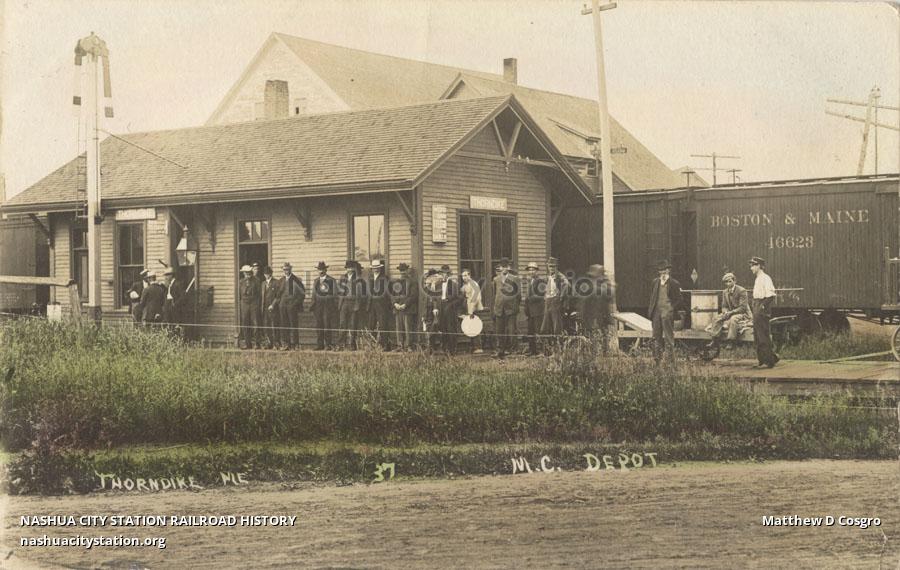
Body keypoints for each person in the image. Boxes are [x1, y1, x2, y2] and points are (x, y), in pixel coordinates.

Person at [705, 272, 752, 345]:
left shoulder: (742, 290)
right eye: (726, 282)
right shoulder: (725, 292)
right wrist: (725, 312)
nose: (728, 284)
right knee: (716, 318)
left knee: (733, 319)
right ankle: (715, 339)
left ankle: (731, 341)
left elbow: (743, 307)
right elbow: (724, 306)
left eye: (730, 281)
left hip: (742, 313)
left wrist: (731, 313)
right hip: (730, 313)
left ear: (734, 281)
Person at [749, 256, 780, 368]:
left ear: (759, 266)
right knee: (757, 336)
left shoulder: (765, 278)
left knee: (762, 336)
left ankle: (769, 362)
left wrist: (762, 307)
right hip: (756, 306)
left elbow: (771, 295)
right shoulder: (758, 278)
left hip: (761, 309)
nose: (751, 268)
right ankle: (765, 359)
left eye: (753, 265)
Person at [648, 259, 681, 361]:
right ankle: (657, 359)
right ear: (658, 272)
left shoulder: (674, 283)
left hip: (667, 313)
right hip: (656, 313)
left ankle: (670, 361)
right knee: (656, 336)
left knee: (668, 337)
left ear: (668, 270)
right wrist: (652, 311)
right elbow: (652, 297)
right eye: (660, 270)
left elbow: (679, 299)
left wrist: (671, 308)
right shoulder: (655, 282)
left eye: (664, 270)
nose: (663, 272)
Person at [491, 257, 520, 359]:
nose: (504, 269)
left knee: (512, 330)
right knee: (499, 331)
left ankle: (513, 350)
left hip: (511, 309)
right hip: (499, 309)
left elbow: (518, 295)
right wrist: (495, 308)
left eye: (505, 266)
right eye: (502, 267)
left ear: (509, 267)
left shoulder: (514, 279)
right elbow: (495, 294)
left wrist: (515, 307)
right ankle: (500, 350)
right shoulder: (496, 279)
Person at [580, 264, 613, 351]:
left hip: (595, 317)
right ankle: (601, 351)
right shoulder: (602, 287)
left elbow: (583, 303)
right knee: (601, 335)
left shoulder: (592, 287)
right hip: (596, 316)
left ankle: (597, 351)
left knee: (595, 335)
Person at [540, 257, 569, 351]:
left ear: (556, 267)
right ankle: (548, 349)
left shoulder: (560, 276)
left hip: (555, 303)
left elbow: (567, 285)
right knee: (545, 327)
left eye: (553, 267)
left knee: (557, 327)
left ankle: (559, 349)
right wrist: (545, 295)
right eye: (550, 266)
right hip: (547, 303)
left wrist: (560, 297)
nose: (551, 268)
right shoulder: (548, 277)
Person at [337, 260, 366, 350]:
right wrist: (340, 304)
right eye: (348, 268)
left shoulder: (358, 279)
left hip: (354, 303)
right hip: (344, 303)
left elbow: (362, 294)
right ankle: (341, 344)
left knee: (353, 324)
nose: (349, 270)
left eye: (351, 268)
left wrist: (357, 305)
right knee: (342, 324)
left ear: (354, 269)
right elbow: (339, 292)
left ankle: (352, 345)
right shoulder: (342, 278)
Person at [436, 264, 464, 355]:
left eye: (446, 273)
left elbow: (460, 298)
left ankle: (452, 350)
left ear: (449, 274)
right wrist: (436, 307)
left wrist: (451, 304)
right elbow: (435, 297)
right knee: (442, 328)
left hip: (450, 308)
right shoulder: (438, 284)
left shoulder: (454, 284)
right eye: (442, 273)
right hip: (441, 307)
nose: (444, 275)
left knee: (451, 328)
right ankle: (444, 349)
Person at [278, 262, 305, 350]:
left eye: (288, 269)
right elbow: (277, 294)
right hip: (283, 307)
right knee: (284, 325)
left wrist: (294, 304)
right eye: (285, 270)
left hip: (292, 307)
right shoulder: (281, 281)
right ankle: (286, 344)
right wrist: (280, 303)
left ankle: (296, 344)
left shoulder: (296, 280)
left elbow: (302, 294)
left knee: (293, 325)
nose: (286, 271)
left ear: (290, 269)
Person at [310, 261, 337, 351]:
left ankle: (328, 345)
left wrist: (325, 297)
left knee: (327, 325)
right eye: (319, 270)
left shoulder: (331, 280)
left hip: (327, 306)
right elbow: (313, 294)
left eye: (322, 269)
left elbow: (335, 294)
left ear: (326, 270)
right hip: (318, 307)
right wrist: (312, 305)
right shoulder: (316, 281)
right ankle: (320, 345)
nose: (321, 271)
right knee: (319, 325)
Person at [391, 263, 418, 351]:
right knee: (399, 327)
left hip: (408, 308)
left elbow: (413, 296)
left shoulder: (413, 282)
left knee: (408, 328)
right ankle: (400, 346)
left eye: (404, 270)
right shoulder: (396, 282)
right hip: (398, 309)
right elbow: (393, 295)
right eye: (401, 270)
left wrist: (405, 304)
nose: (402, 272)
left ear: (407, 270)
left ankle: (408, 346)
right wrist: (395, 304)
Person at [367, 259, 393, 350]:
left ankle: (385, 345)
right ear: (372, 269)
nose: (375, 269)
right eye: (374, 268)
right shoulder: (370, 278)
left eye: (377, 268)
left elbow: (388, 292)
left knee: (383, 325)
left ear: (380, 268)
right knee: (371, 325)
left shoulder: (385, 278)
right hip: (371, 304)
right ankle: (372, 345)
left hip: (381, 305)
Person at [460, 268, 484, 354]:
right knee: (469, 327)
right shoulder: (464, 285)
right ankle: (472, 346)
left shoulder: (473, 284)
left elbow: (476, 298)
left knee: (475, 327)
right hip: (468, 308)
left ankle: (478, 347)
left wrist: (471, 311)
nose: (464, 277)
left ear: (469, 275)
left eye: (466, 275)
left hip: (474, 309)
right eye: (463, 276)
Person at [522, 262, 544, 356]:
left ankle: (541, 351)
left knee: (538, 331)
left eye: (533, 270)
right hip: (530, 311)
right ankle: (532, 350)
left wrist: (529, 298)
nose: (531, 272)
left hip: (538, 310)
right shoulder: (529, 282)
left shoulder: (540, 281)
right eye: (529, 270)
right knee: (530, 331)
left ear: (537, 271)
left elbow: (540, 295)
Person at [239, 264, 261, 349]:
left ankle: (256, 343)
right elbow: (239, 294)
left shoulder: (256, 281)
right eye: (245, 273)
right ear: (243, 273)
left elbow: (259, 294)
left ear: (251, 272)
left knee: (255, 323)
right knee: (245, 323)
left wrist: (257, 304)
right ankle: (247, 343)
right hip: (244, 304)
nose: (247, 274)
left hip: (254, 303)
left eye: (248, 273)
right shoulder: (241, 282)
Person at [260, 265, 281, 349]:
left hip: (273, 309)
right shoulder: (263, 283)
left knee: (274, 326)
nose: (266, 275)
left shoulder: (276, 282)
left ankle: (276, 344)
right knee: (266, 326)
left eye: (268, 273)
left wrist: (273, 305)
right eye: (265, 274)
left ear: (271, 274)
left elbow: (278, 296)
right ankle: (269, 343)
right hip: (265, 309)